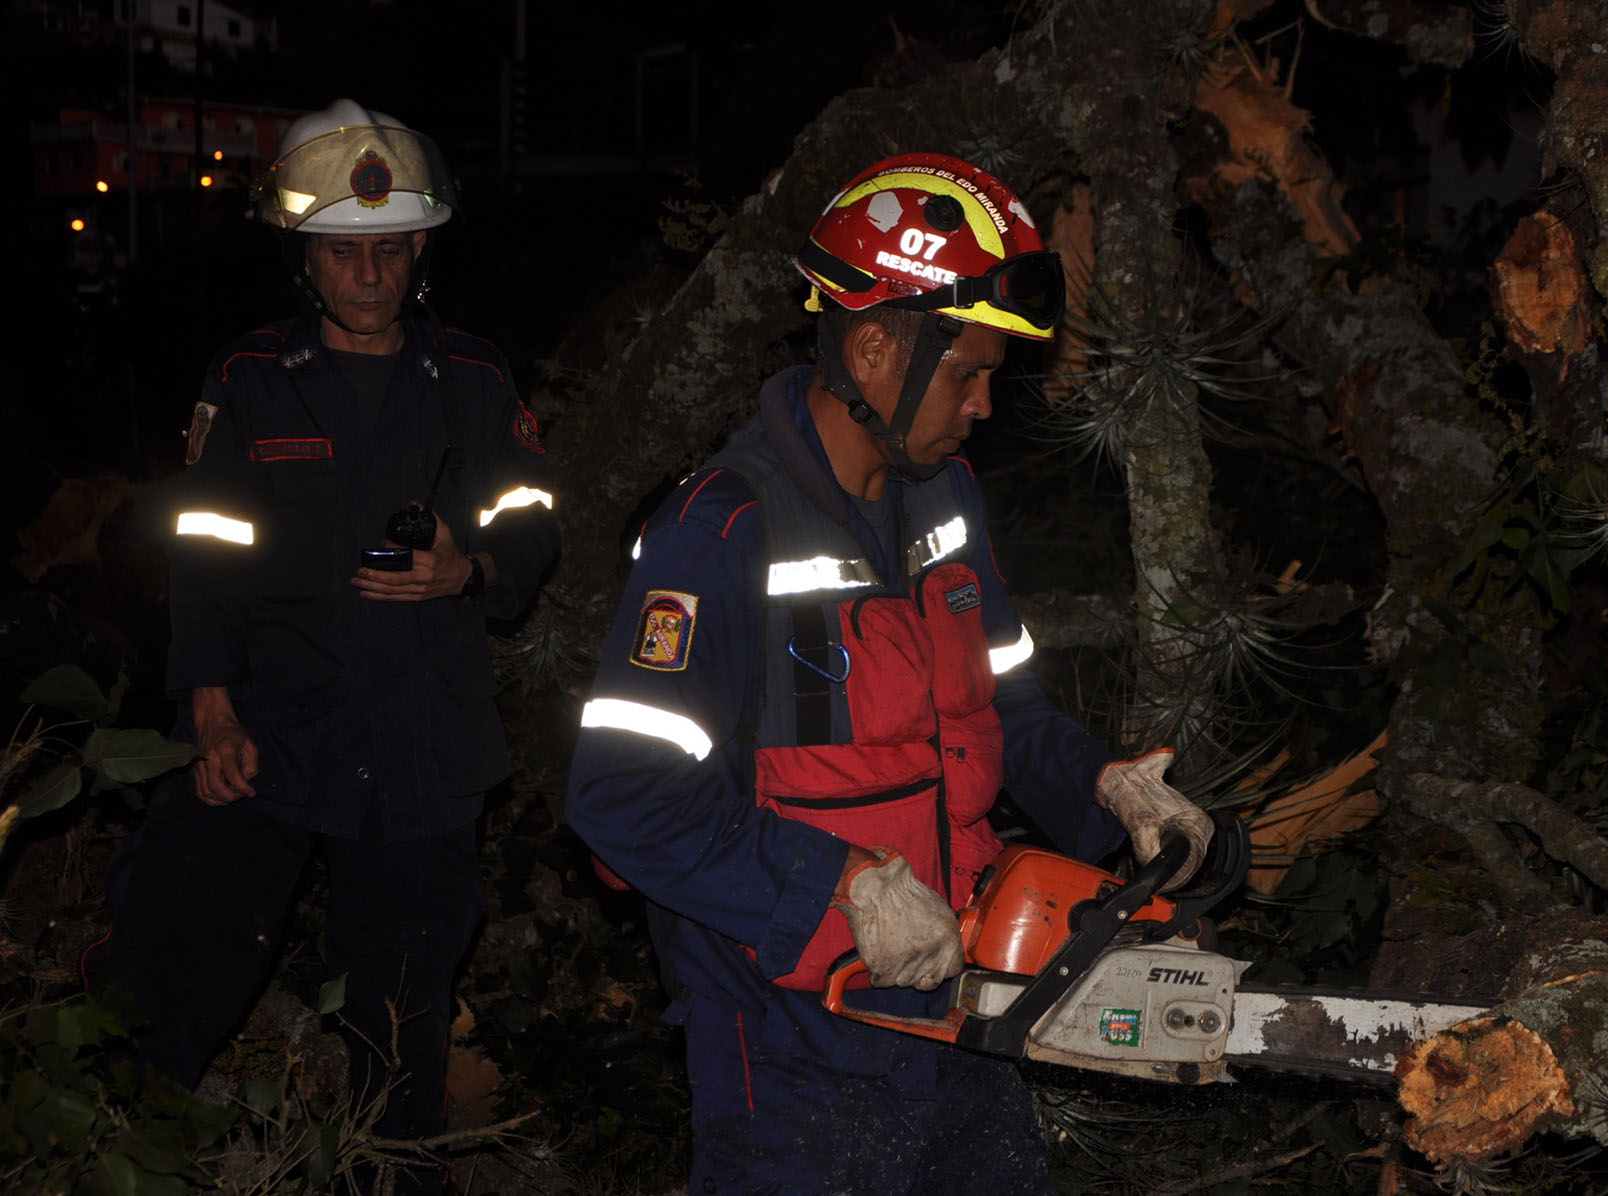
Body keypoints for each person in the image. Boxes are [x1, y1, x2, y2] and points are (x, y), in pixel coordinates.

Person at [564, 152, 1213, 1194]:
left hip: (960, 1001)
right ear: (874, 347)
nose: (986, 405)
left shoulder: (944, 502)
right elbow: (621, 797)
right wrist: (842, 883)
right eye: (967, 372)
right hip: (792, 1035)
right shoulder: (720, 531)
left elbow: (1005, 706)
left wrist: (1104, 788)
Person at [85, 99, 559, 1193]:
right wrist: (206, 701)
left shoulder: (477, 380)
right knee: (182, 957)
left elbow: (535, 514)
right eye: (348, 249)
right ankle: (110, 1147)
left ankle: (390, 1173)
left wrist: (472, 565)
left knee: (404, 1013)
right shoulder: (249, 378)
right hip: (266, 727)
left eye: (391, 247)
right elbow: (203, 549)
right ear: (307, 253)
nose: (372, 270)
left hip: (420, 743)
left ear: (421, 248)